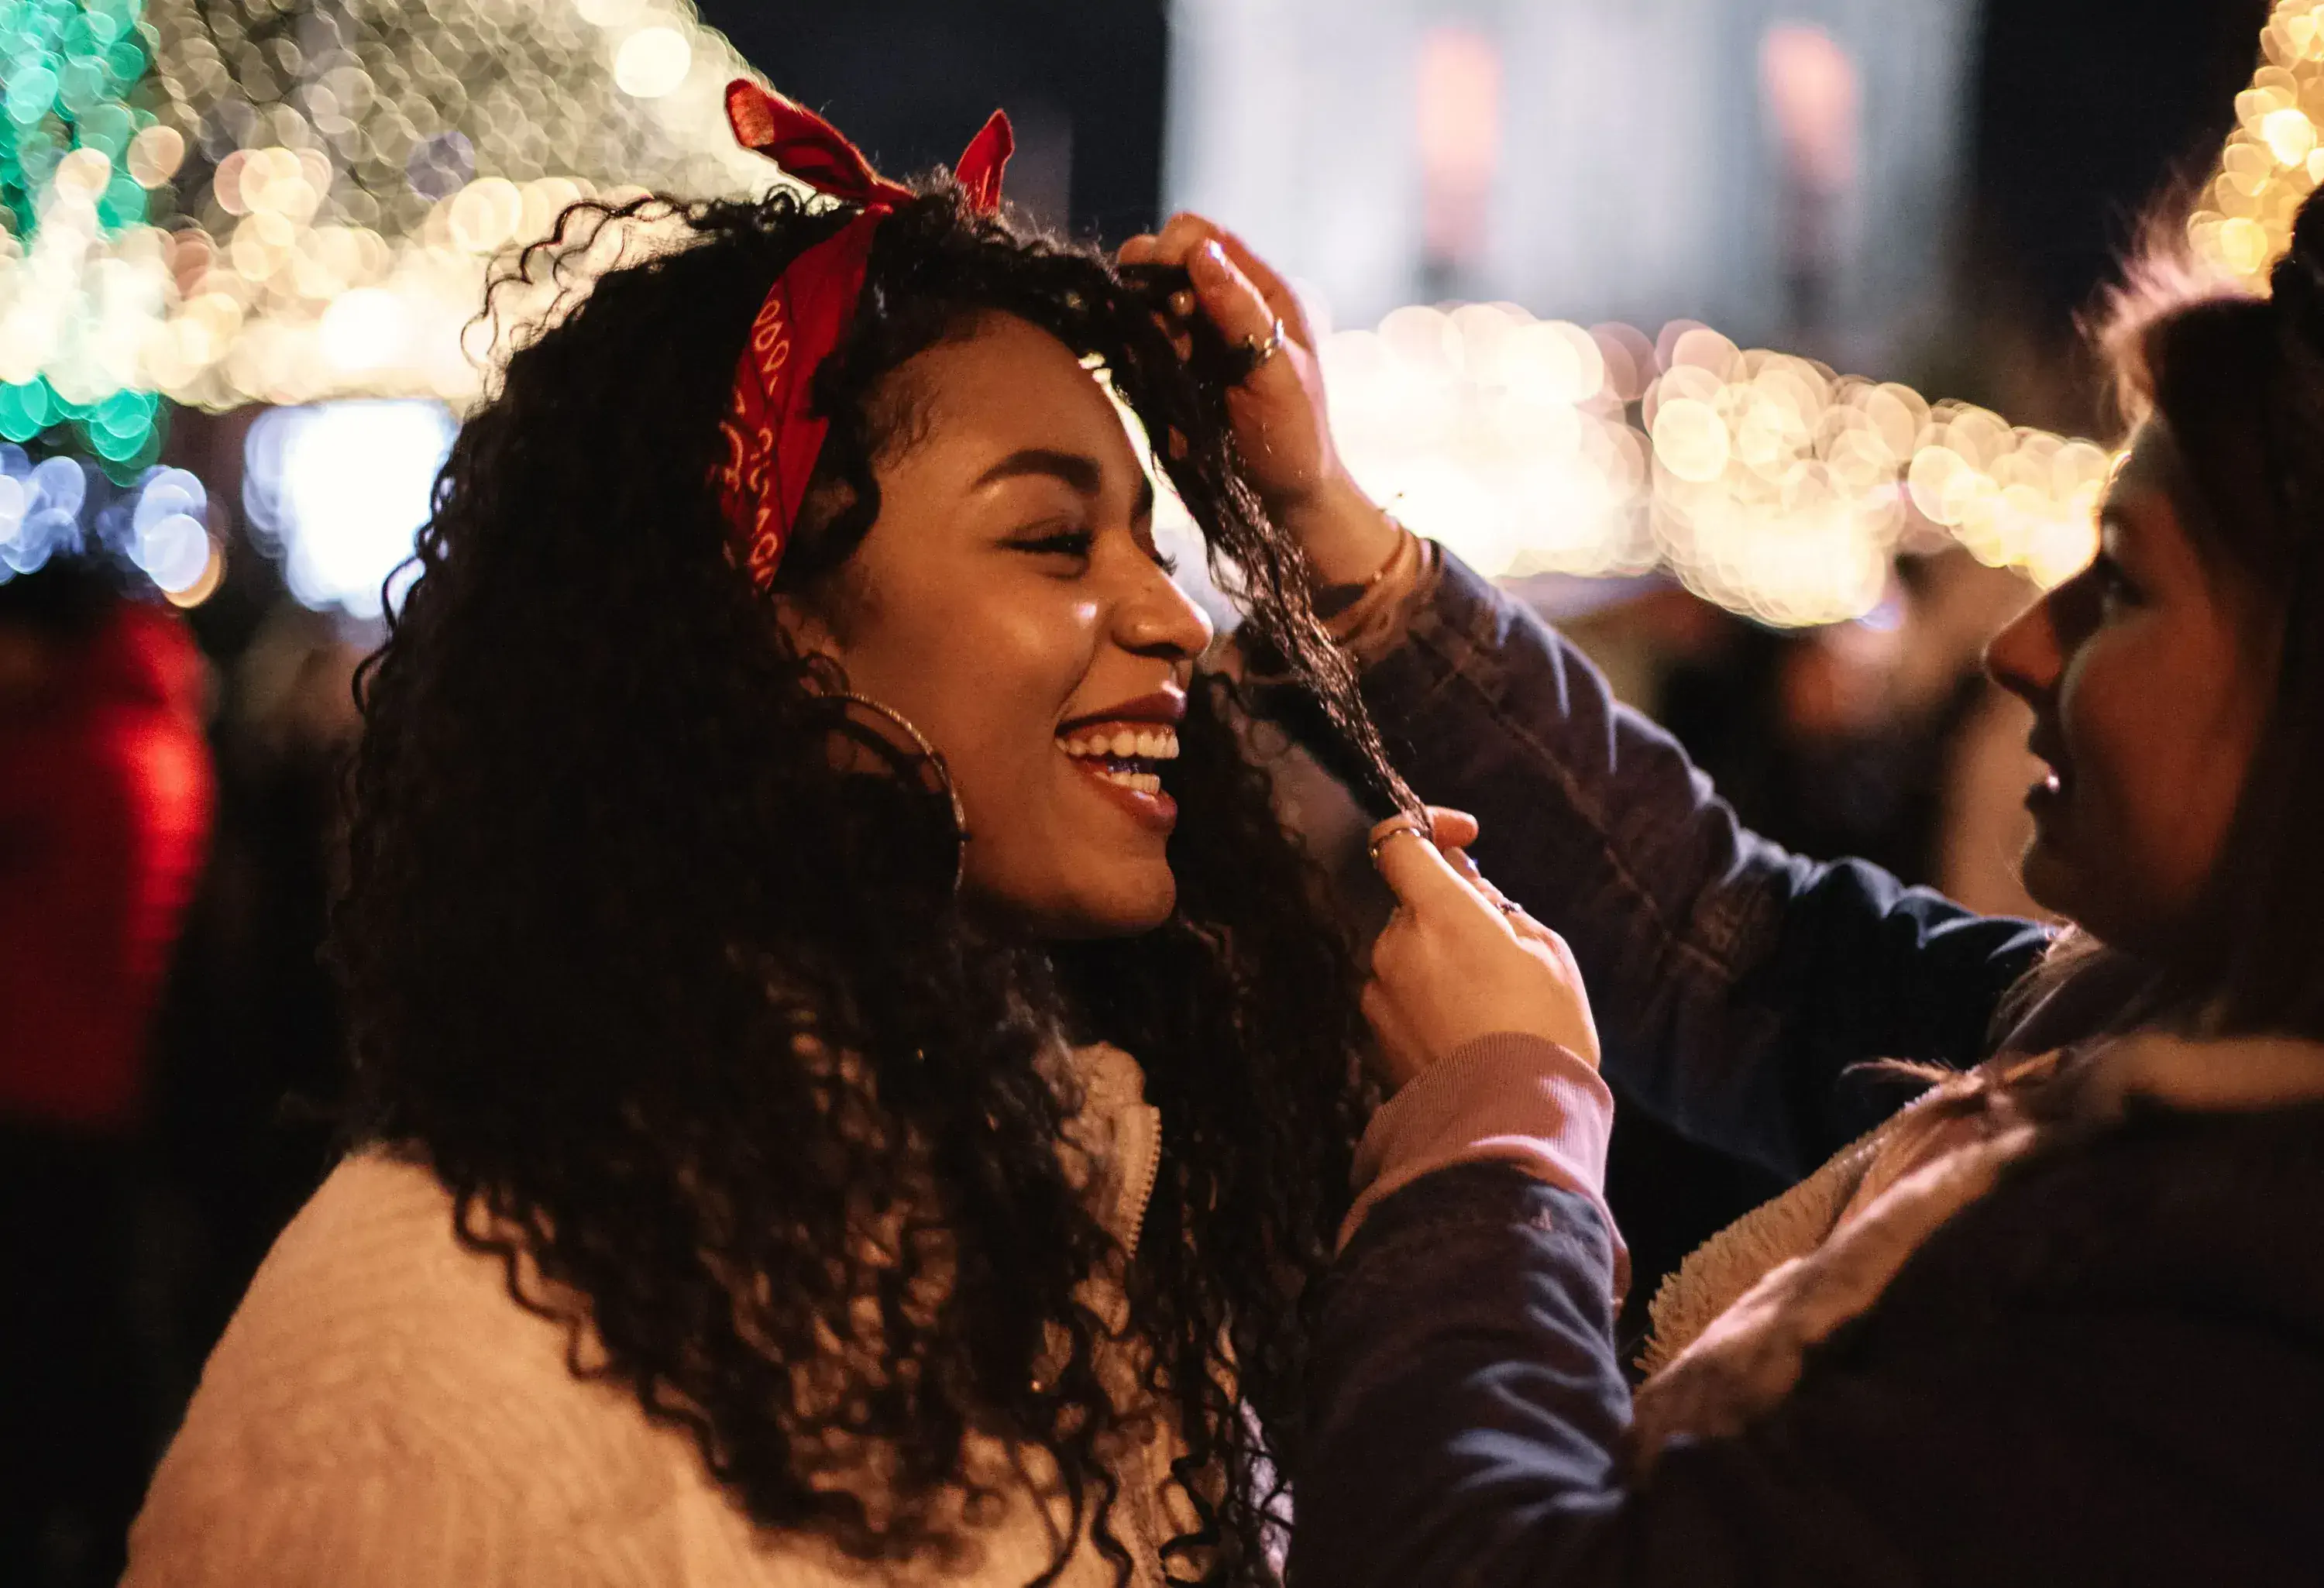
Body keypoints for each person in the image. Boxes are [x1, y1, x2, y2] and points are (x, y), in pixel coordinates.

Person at [123, 85, 1417, 1588]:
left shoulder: (1121, 1221)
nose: (1176, 614)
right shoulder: (451, 1305)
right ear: (772, 638)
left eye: (1153, 535)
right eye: (1055, 538)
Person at [1122, 184, 2324, 1583]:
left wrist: (1497, 1150)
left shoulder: (2230, 1323)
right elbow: (1731, 932)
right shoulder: (2118, 1033)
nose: (2018, 652)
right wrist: (1336, 534)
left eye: (2118, 583)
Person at [0, 551, 215, 1588]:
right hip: (107, 1089)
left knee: (61, 1333)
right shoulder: (160, 738)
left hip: (50, 1092)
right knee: (95, 1328)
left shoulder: (75, 758)